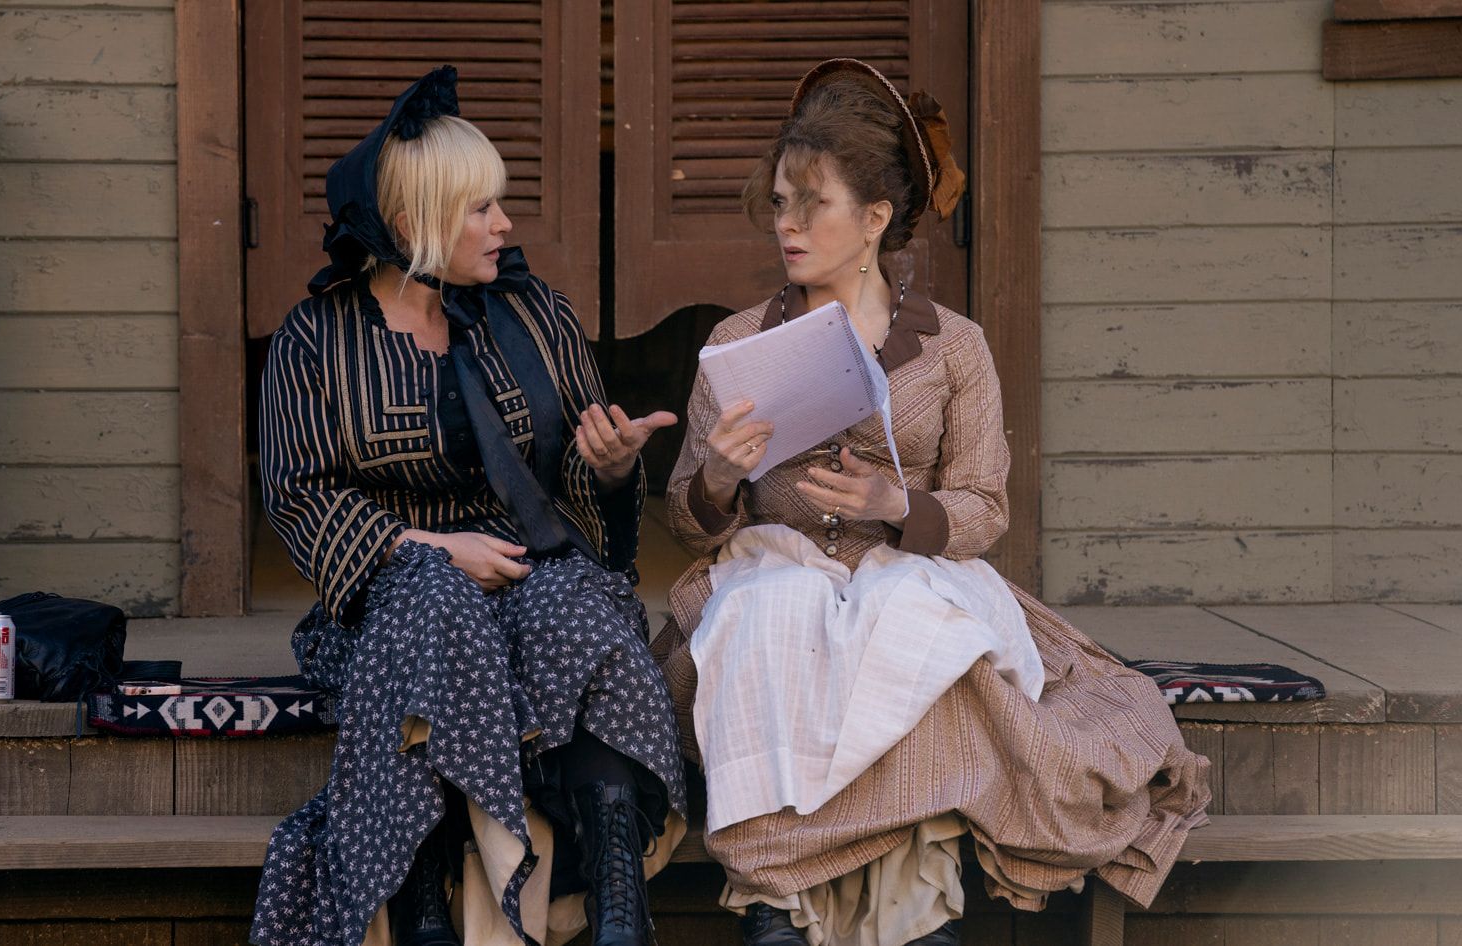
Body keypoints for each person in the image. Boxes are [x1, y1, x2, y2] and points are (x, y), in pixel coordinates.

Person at [653, 59, 1210, 946]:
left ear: (874, 219)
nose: (788, 225)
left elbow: (985, 505)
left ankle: (920, 916)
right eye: (780, 204)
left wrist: (894, 501)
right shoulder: (736, 342)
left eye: (813, 204)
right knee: (768, 617)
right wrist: (721, 478)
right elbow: (685, 520)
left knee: (910, 625)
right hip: (778, 567)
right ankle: (774, 901)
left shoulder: (954, 347)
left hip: (907, 567)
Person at [250, 66, 686, 946]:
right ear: (413, 226)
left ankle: (618, 911)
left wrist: (608, 468)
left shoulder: (533, 315)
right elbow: (296, 496)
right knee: (431, 602)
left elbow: (578, 500)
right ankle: (417, 908)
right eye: (481, 208)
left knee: (581, 609)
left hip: (531, 574)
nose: (505, 225)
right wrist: (435, 548)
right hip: (398, 591)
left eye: (501, 204)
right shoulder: (318, 339)